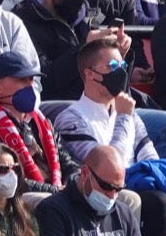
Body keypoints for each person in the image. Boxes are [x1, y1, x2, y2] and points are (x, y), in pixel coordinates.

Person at [15, 0, 129, 102]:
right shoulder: (27, 22)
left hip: (98, 102)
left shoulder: (84, 21)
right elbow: (44, 79)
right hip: (59, 106)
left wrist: (119, 56)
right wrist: (84, 48)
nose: (79, 0)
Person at [0, 49, 68, 195]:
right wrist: (53, 192)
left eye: (31, 79)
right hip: (13, 202)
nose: (30, 86)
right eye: (21, 80)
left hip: (54, 196)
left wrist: (74, 182)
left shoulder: (42, 124)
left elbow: (68, 161)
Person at [35, 144, 144, 236]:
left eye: (118, 189)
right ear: (85, 173)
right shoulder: (53, 210)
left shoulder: (124, 213)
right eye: (106, 186)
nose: (112, 195)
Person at [54, 40, 158, 170]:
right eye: (113, 66)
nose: (120, 72)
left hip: (142, 183)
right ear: (90, 74)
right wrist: (123, 117)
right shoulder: (70, 120)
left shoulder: (128, 111)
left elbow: (150, 156)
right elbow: (108, 168)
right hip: (110, 188)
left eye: (123, 66)